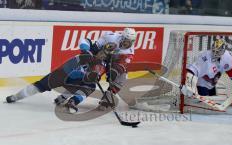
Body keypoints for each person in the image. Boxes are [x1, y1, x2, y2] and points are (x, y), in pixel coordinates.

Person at [6, 28, 137, 113]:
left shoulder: (119, 56)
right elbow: (86, 41)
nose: (127, 44)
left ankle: (105, 97)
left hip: (89, 70)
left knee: (101, 81)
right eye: (125, 41)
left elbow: (120, 67)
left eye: (129, 42)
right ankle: (17, 96)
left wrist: (112, 73)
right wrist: (86, 51)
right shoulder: (105, 42)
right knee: (44, 84)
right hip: (71, 70)